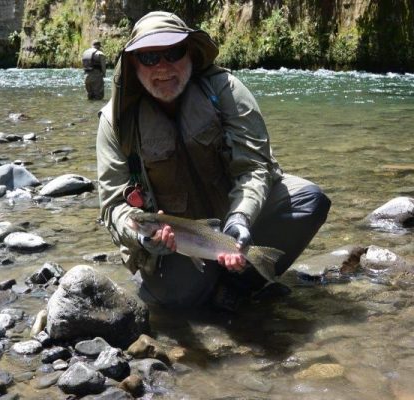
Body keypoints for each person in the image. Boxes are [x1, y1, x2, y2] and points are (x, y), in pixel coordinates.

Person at [96, 11, 331, 310]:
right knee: (180, 302)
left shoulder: (226, 91)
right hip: (175, 247)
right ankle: (211, 289)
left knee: (308, 199)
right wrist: (143, 240)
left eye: (174, 52)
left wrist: (241, 219)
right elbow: (114, 206)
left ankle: (241, 283)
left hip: (235, 224)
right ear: (132, 65)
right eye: (149, 58)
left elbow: (255, 167)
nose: (163, 67)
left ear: (191, 52)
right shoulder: (115, 122)